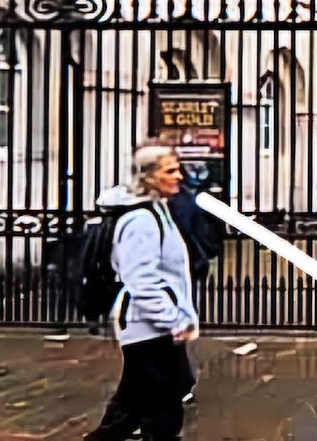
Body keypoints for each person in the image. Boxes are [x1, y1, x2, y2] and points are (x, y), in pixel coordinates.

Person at [84, 143, 199, 441]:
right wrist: (173, 320)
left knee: (146, 397)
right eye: (169, 170)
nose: (179, 176)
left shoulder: (156, 210)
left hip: (154, 324)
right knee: (160, 397)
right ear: (149, 176)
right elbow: (141, 281)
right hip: (146, 324)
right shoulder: (141, 220)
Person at [166, 171, 224, 407]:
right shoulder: (186, 199)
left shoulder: (175, 202)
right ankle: (180, 385)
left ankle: (178, 385)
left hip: (173, 271)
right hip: (182, 270)